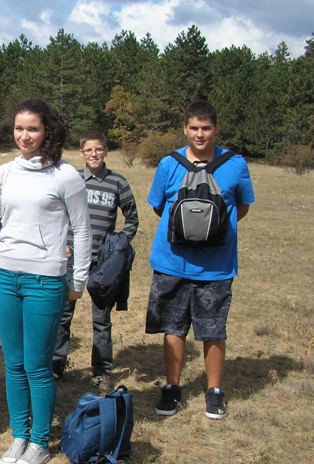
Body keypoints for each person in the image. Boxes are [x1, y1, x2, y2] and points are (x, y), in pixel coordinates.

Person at [0, 98, 91, 464]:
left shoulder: (66, 176)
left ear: (48, 132)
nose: (24, 136)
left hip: (45, 281)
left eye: (33, 129)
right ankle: (19, 435)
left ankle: (40, 441)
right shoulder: (4, 173)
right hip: (4, 278)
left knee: (38, 365)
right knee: (13, 364)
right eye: (19, 128)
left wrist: (78, 279)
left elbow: (82, 231)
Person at [146, 100, 254, 420]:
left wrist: (213, 230)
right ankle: (172, 387)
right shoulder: (169, 163)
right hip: (172, 263)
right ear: (185, 129)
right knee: (173, 327)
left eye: (206, 128)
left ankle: (214, 391)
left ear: (216, 129)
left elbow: (242, 206)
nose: (200, 134)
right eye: (194, 128)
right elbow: (159, 206)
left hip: (216, 266)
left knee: (214, 329)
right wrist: (188, 231)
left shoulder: (236, 164)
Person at [52, 130, 139, 391]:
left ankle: (101, 371)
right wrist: (62, 243)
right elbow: (56, 215)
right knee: (62, 315)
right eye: (89, 150)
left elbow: (132, 218)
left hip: (102, 263)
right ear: (81, 153)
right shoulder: (73, 179)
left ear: (106, 151)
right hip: (71, 259)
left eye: (98, 149)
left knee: (101, 320)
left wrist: (119, 245)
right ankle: (56, 365)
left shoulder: (117, 182)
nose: (94, 154)